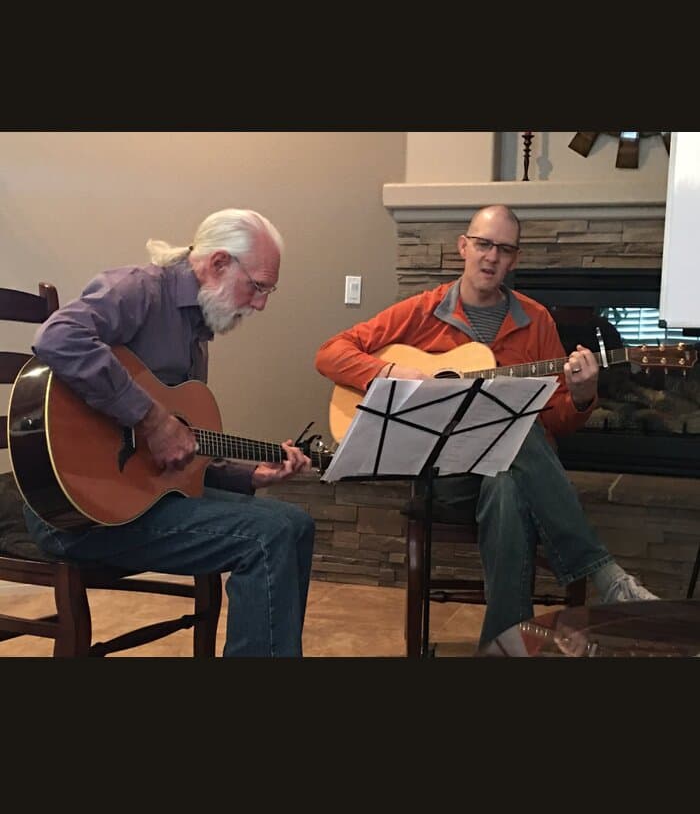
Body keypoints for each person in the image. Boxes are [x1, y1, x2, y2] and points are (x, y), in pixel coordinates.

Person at [315, 204, 657, 650]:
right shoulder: (423, 310)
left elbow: (556, 420)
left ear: (515, 259)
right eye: (483, 244)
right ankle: (604, 575)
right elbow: (330, 352)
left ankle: (503, 647)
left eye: (505, 249)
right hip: (447, 476)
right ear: (464, 246)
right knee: (516, 436)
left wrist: (580, 395)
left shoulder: (535, 320)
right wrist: (392, 372)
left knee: (509, 469)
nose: (492, 256)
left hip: (510, 473)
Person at [23, 208, 316, 657]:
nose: (260, 304)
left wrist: (250, 475)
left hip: (140, 500)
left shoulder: (196, 330)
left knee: (296, 524)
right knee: (267, 535)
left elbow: (178, 457)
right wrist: (152, 419)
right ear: (218, 263)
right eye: (258, 287)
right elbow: (58, 337)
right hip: (78, 513)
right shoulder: (138, 289)